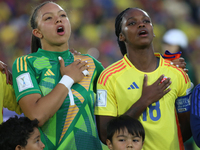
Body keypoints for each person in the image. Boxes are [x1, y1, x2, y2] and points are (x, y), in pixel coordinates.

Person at [94, 7, 193, 150]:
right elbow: (105, 134)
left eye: (146, 21)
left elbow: (187, 127)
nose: (141, 24)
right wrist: (144, 101)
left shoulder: (177, 72)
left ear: (153, 31)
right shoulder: (109, 77)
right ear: (121, 36)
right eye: (132, 23)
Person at [12, 1, 104, 150]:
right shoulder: (25, 64)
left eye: (63, 15)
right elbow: (36, 116)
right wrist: (68, 79)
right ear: (37, 32)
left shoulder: (90, 64)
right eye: (48, 18)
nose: (59, 19)